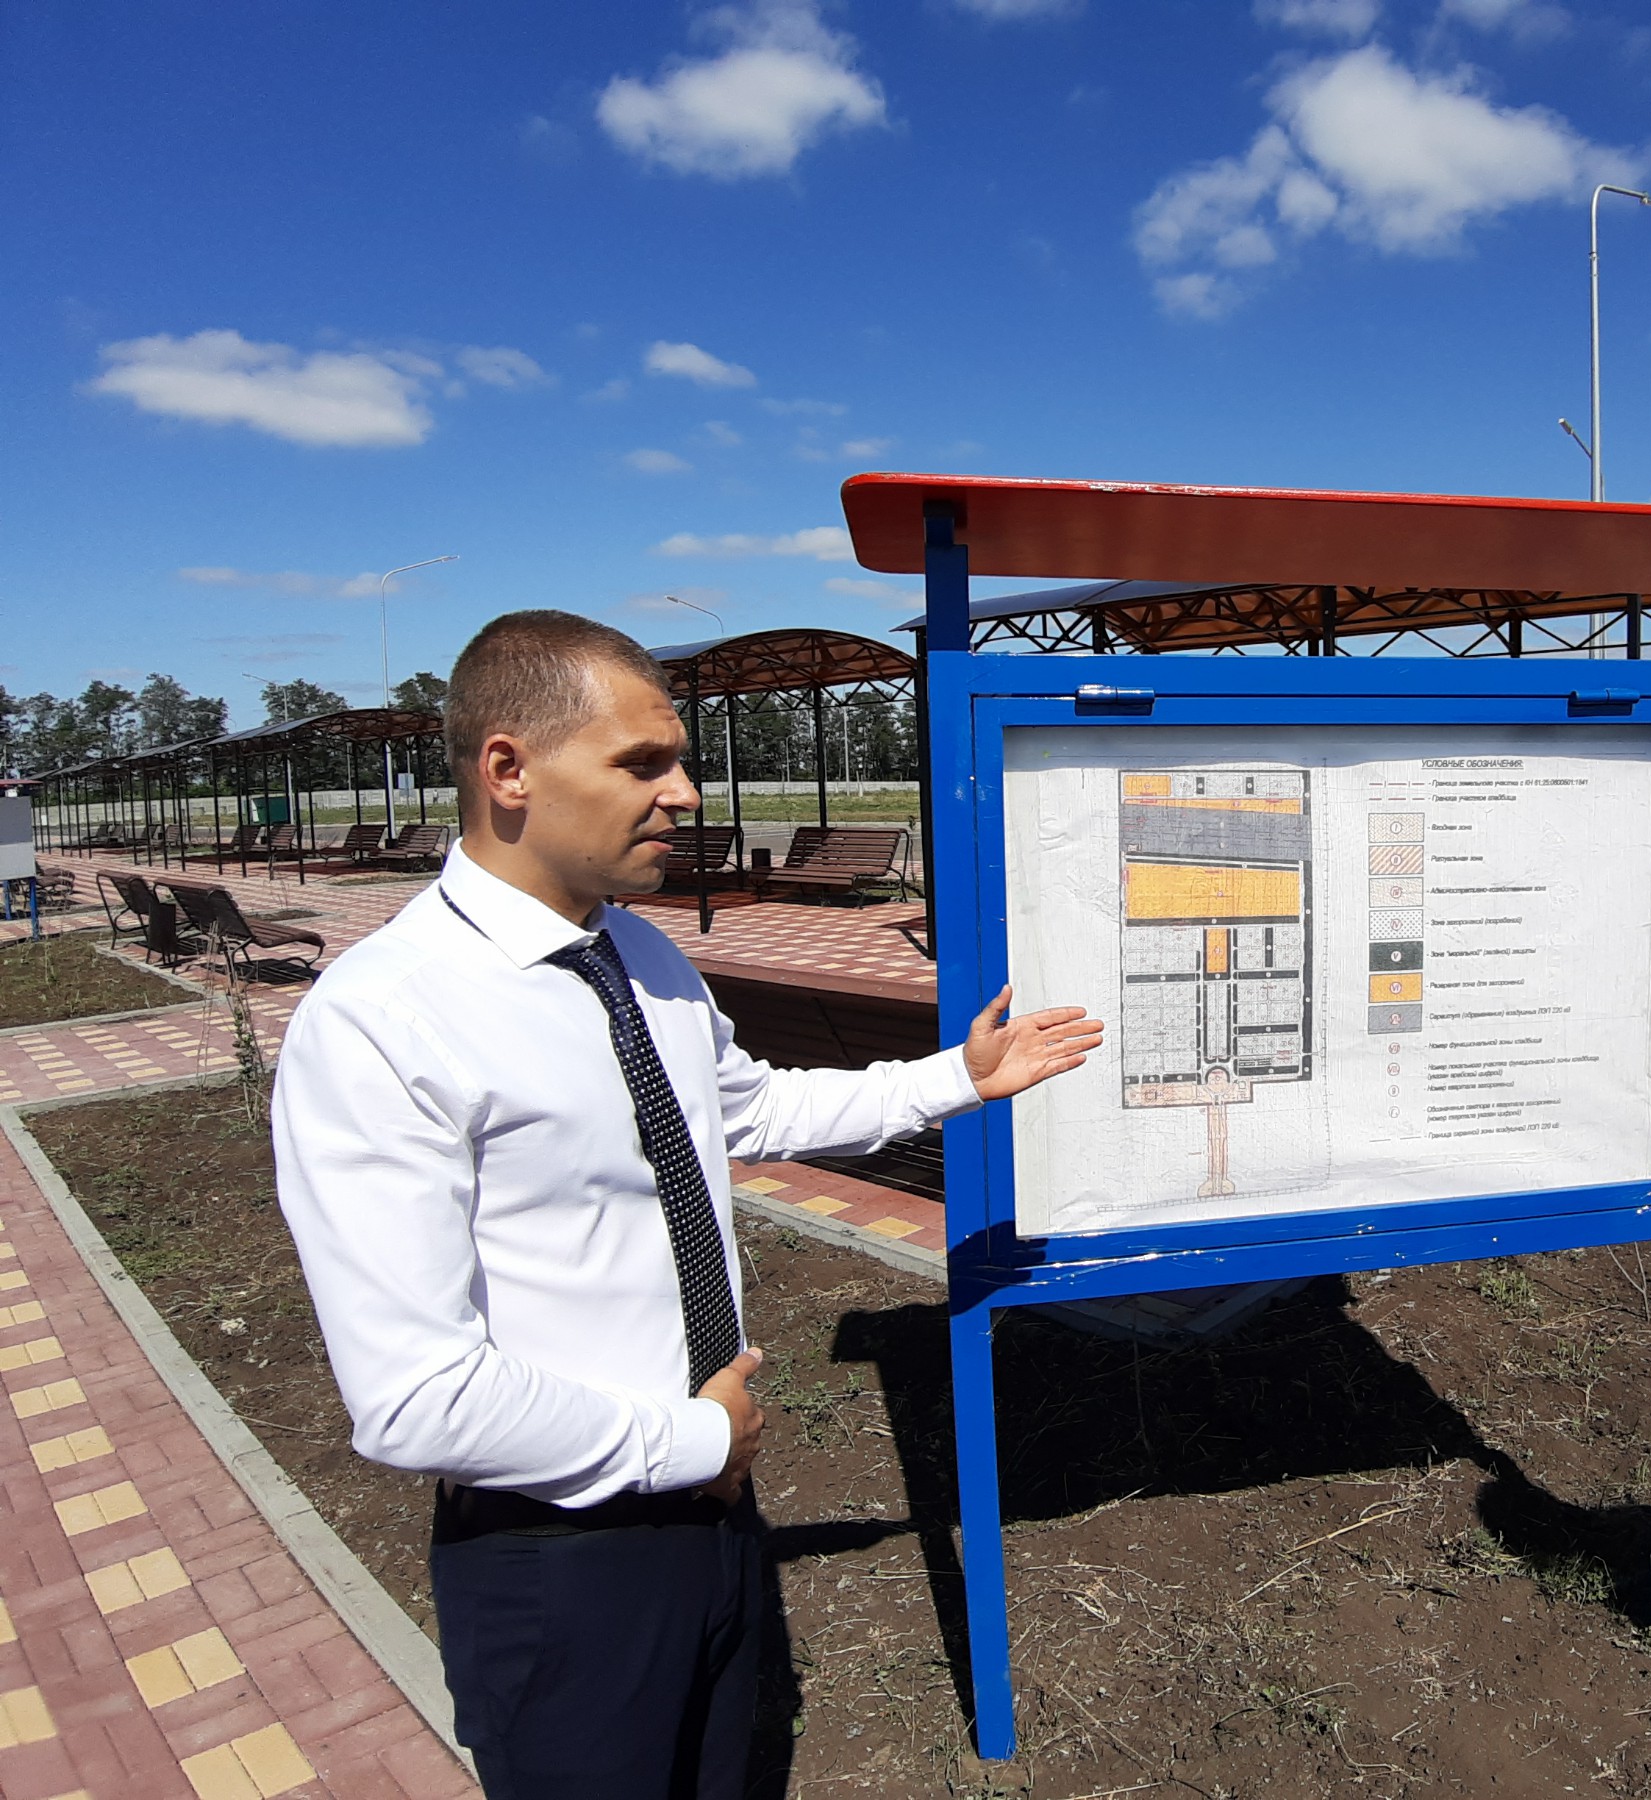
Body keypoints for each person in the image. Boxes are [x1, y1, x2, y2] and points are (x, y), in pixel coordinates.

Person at [271, 611, 1103, 1799]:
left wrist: (955, 1080)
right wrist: (697, 1441)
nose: (686, 793)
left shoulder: (637, 954)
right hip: (564, 1561)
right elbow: (415, 1397)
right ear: (508, 769)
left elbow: (745, 1111)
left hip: (715, 1514)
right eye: (643, 763)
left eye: (681, 761)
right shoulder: (384, 1021)